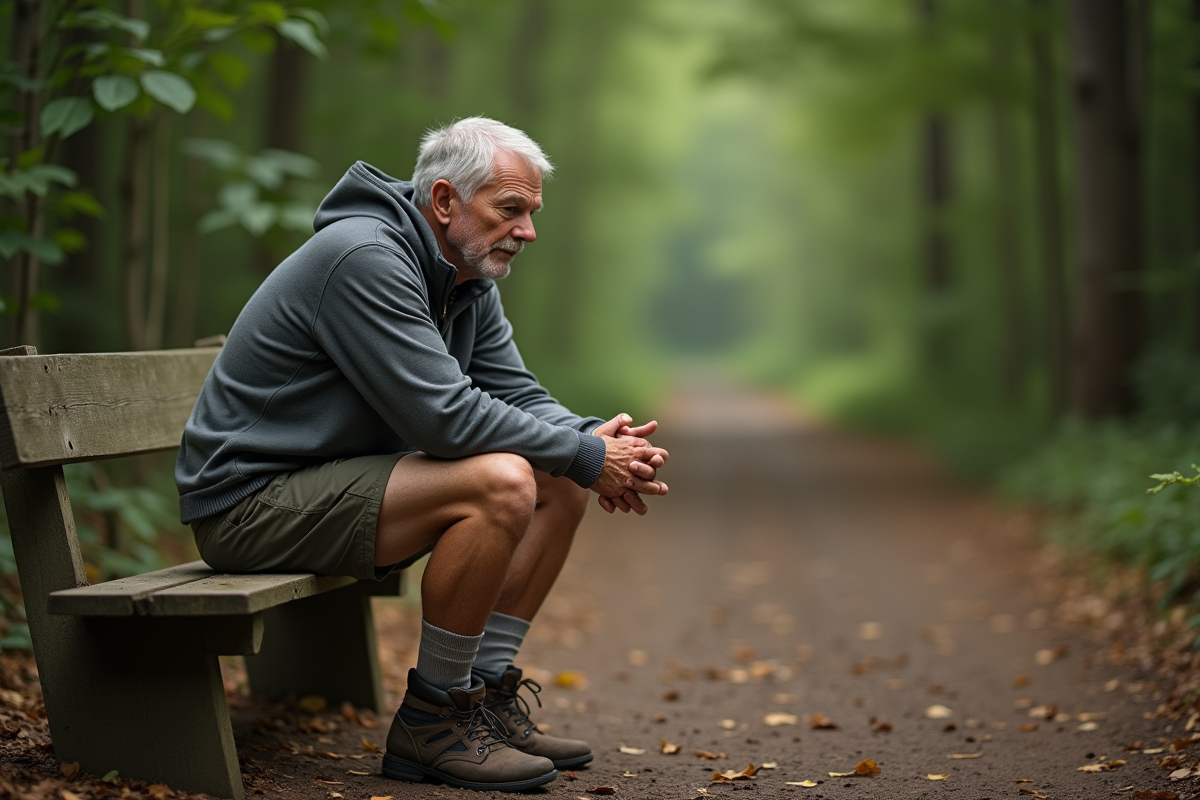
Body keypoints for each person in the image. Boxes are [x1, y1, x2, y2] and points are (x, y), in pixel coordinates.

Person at [175, 117, 670, 792]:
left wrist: (594, 442)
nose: (526, 231)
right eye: (510, 210)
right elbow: (445, 419)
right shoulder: (363, 258)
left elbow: (517, 395)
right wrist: (585, 452)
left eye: (530, 212)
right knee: (502, 481)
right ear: (444, 201)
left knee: (556, 481)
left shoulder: (465, 280)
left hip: (332, 486)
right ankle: (433, 722)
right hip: (249, 502)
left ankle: (485, 699)